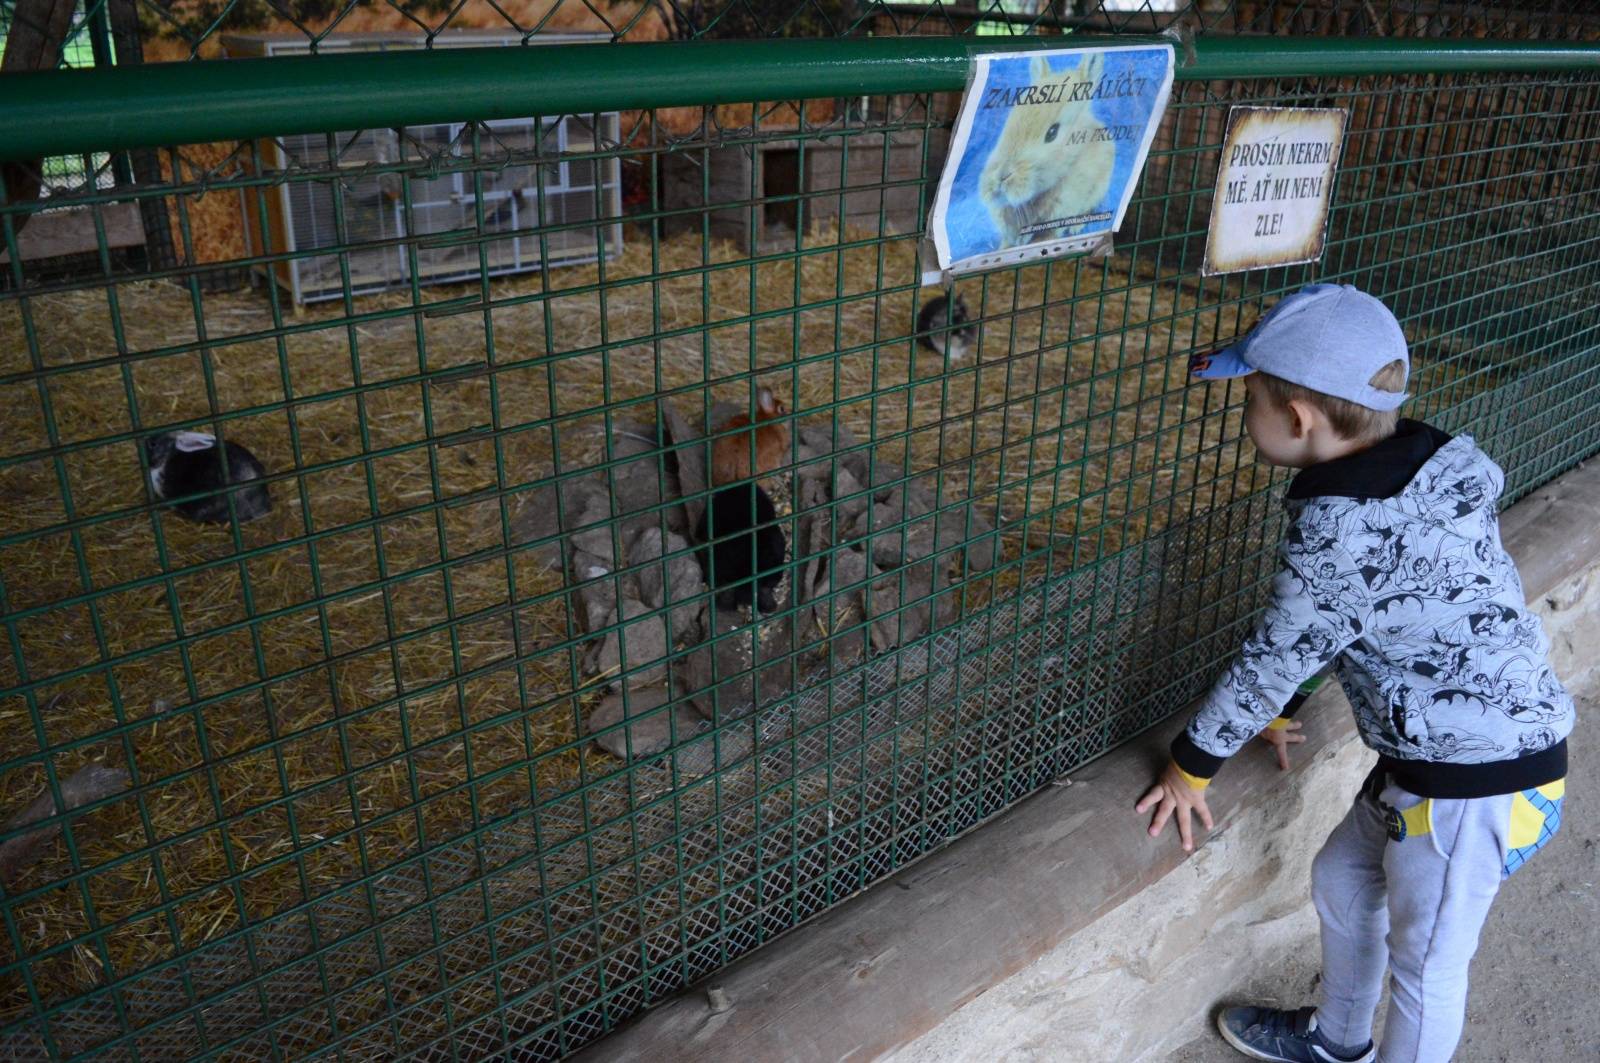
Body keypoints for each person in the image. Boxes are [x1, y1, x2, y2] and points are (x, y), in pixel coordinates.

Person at [1134, 284, 1573, 1063]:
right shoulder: (1430, 469)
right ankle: (1339, 1041)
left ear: (1299, 419)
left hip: (1474, 787)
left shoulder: (1340, 533)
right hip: (1437, 756)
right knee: (1342, 880)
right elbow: (1333, 629)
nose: (1247, 416)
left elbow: (1274, 654)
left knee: (1428, 968)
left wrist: (1190, 767)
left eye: (1251, 401)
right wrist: (1286, 705)